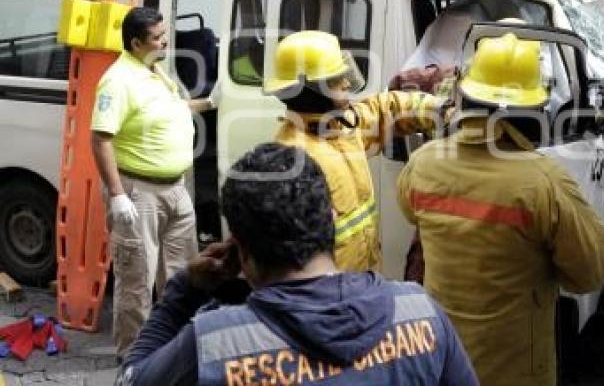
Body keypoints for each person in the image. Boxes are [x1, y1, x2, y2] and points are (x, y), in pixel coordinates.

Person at [119, 143, 478, 385]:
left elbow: (132, 376)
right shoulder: (421, 312)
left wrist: (185, 291)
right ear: (334, 221)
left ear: (239, 250)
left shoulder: (213, 343)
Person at [397, 31, 604, 386]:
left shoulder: (423, 164)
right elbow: (591, 273)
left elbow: (413, 213)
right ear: (531, 111)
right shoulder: (543, 182)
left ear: (466, 97)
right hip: (515, 370)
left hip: (442, 360)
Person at [90, 7, 218, 358]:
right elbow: (100, 139)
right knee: (136, 282)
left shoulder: (153, 70)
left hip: (176, 188)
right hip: (138, 191)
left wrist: (208, 103)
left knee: (183, 274)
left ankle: (176, 351)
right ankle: (133, 361)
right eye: (158, 37)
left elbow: (170, 109)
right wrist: (117, 196)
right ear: (135, 42)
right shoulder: (118, 80)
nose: (166, 41)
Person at [265, 30, 446, 271]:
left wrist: (442, 109)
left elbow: (387, 109)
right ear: (313, 89)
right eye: (337, 79)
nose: (347, 83)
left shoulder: (342, 126)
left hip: (363, 279)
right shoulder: (292, 159)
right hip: (330, 296)